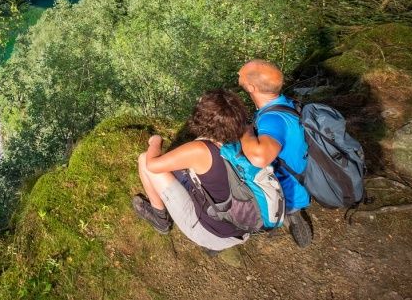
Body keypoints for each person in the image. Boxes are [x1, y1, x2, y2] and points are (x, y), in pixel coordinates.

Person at [133, 89, 251, 252]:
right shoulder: (240, 142)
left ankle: (161, 221)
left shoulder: (201, 150)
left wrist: (155, 141)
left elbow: (153, 165)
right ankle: (214, 237)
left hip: (212, 233)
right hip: (238, 226)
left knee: (144, 160)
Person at [238, 59, 313, 247]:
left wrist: (244, 130)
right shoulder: (286, 103)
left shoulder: (272, 119)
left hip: (287, 192)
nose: (237, 76)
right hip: (303, 181)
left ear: (251, 87)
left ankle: (279, 214)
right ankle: (291, 214)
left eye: (240, 75)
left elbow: (259, 158)